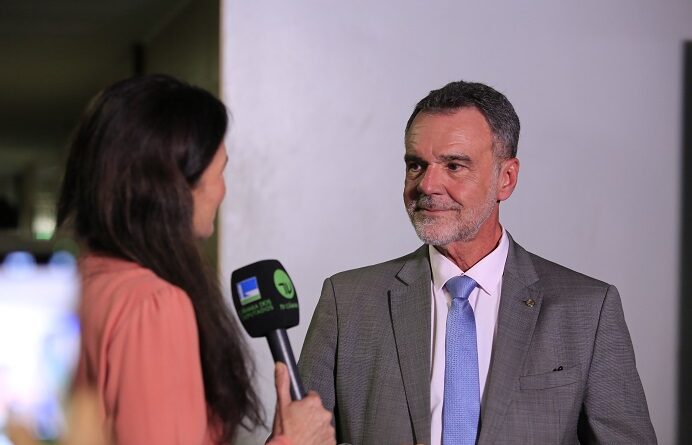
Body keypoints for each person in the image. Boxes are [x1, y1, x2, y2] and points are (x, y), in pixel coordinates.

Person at [298, 80, 657, 444]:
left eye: (454, 165)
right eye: (416, 165)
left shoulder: (588, 310)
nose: (427, 185)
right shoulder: (347, 303)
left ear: (506, 179)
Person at [57, 74, 335, 445]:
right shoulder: (155, 306)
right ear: (176, 186)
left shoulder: (72, 283)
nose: (223, 190)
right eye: (220, 171)